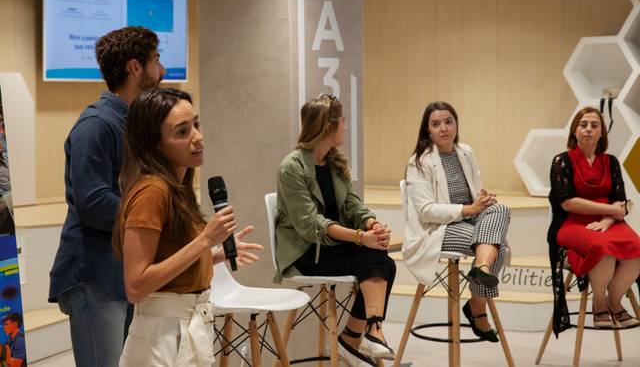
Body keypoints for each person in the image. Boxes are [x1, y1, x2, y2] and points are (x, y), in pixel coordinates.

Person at [114, 88, 261, 366]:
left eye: (196, 124)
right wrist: (205, 241)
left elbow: (170, 264)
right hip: (161, 338)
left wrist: (215, 254)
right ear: (154, 143)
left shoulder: (177, 188)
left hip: (182, 329)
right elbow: (135, 286)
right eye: (182, 132)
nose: (198, 137)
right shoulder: (152, 192)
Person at [48, 26, 165, 366]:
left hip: (121, 273)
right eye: (156, 60)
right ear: (135, 67)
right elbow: (94, 202)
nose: (162, 70)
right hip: (94, 276)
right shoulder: (97, 125)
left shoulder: (130, 124)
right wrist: (151, 217)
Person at [273, 94, 396, 367]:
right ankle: (359, 335)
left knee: (381, 258)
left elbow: (352, 205)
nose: (346, 127)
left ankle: (367, 332)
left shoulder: (333, 162)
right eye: (343, 122)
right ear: (329, 126)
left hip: (333, 246)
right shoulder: (291, 167)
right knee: (378, 259)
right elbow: (310, 225)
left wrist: (371, 224)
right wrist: (360, 237)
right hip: (305, 252)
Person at [403, 101, 511, 342]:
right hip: (438, 229)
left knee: (501, 208)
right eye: (436, 124)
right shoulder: (418, 162)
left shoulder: (465, 151)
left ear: (456, 125)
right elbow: (425, 211)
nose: (444, 128)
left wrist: (482, 200)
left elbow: (474, 191)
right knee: (498, 248)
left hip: (470, 218)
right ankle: (477, 308)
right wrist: (468, 209)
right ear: (427, 130)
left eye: (448, 122)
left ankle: (480, 268)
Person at [548, 106, 640, 335]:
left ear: (602, 133)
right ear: (574, 131)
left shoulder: (611, 162)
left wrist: (608, 220)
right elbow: (567, 202)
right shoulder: (562, 161)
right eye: (583, 124)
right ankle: (598, 304)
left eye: (594, 125)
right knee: (602, 247)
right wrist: (609, 209)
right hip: (571, 223)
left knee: (636, 247)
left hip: (608, 221)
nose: (588, 129)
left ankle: (614, 302)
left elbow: (620, 202)